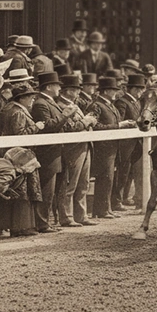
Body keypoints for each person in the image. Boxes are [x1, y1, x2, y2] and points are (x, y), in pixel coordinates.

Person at [0, 82, 44, 237]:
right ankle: (20, 226)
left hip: (10, 154)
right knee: (21, 190)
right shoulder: (18, 112)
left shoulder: (9, 109)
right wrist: (36, 127)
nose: (32, 100)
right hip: (19, 156)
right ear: (21, 98)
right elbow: (19, 135)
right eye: (30, 97)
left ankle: (14, 225)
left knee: (15, 189)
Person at [31, 71, 76, 232]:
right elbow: (48, 126)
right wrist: (65, 115)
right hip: (48, 153)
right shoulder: (40, 103)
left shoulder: (50, 102)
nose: (59, 89)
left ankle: (48, 221)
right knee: (47, 189)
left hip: (57, 151)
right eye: (57, 85)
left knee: (55, 189)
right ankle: (42, 223)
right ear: (49, 86)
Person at [86, 77, 135, 218]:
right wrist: (119, 126)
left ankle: (106, 209)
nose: (115, 93)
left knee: (109, 179)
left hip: (112, 148)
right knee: (104, 178)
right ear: (106, 91)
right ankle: (101, 210)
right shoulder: (96, 105)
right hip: (102, 148)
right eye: (113, 90)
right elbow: (96, 126)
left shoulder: (110, 105)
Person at [55, 75, 97, 227]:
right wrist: (87, 121)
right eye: (75, 90)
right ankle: (67, 216)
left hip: (84, 145)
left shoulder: (74, 104)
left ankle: (81, 215)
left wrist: (87, 121)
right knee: (70, 183)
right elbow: (70, 127)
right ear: (66, 91)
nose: (78, 92)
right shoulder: (60, 105)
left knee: (83, 183)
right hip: (72, 148)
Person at [112, 73, 146, 210]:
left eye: (141, 89)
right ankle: (116, 201)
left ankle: (124, 198)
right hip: (125, 144)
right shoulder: (122, 102)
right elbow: (119, 121)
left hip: (136, 143)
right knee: (122, 172)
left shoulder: (137, 102)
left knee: (131, 173)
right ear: (130, 89)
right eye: (137, 89)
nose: (140, 92)